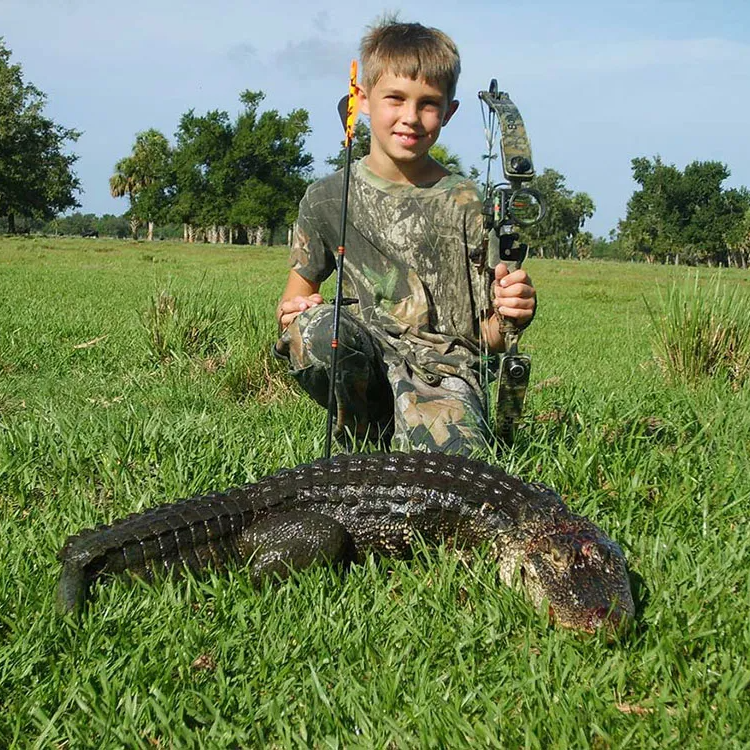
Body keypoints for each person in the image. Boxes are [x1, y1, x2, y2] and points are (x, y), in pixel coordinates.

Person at [274, 18, 536, 456]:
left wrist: (513, 316)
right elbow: (289, 313)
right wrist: (299, 315)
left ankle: (423, 428)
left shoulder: (468, 202)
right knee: (318, 331)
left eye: (429, 104)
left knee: (452, 477)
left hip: (446, 373)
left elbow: (487, 339)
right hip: (367, 362)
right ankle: (366, 431)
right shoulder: (325, 198)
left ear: (449, 112)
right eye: (394, 98)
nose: (410, 118)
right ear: (361, 101)